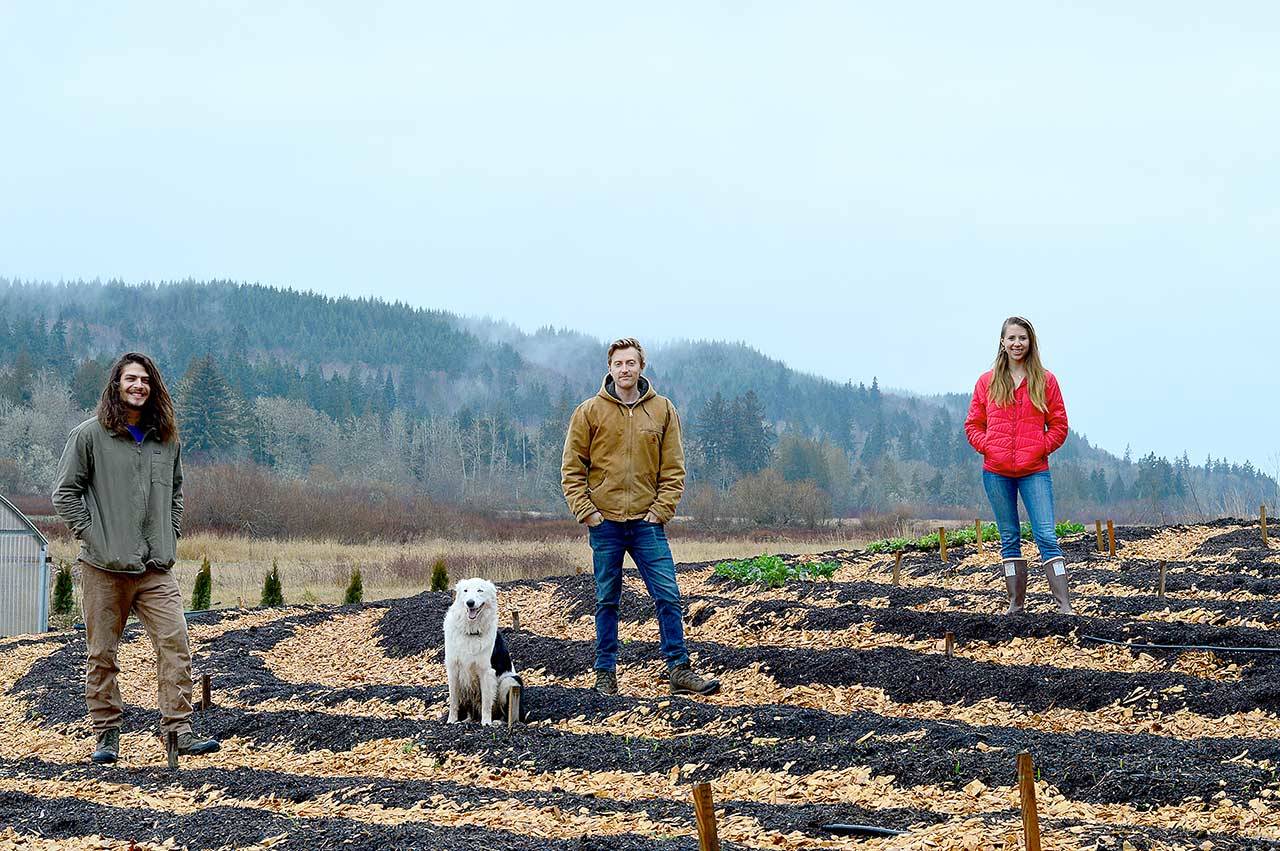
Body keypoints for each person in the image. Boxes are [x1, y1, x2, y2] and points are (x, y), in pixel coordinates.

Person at [52, 352, 220, 764]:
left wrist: (171, 532)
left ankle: (178, 731)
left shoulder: (167, 440)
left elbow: (176, 493)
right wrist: (95, 537)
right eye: (130, 379)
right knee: (102, 652)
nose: (138, 386)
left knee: (175, 641)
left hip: (155, 568)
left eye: (145, 380)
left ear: (153, 387)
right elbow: (64, 493)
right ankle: (107, 733)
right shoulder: (89, 436)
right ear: (116, 385)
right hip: (103, 568)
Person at [562, 338, 720, 697]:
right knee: (607, 599)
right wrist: (587, 512)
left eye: (631, 363)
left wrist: (659, 511)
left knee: (668, 594)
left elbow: (674, 469)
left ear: (641, 367)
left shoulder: (662, 410)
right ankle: (605, 674)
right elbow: (572, 469)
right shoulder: (589, 412)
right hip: (606, 525)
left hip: (647, 524)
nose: (625, 370)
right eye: (618, 364)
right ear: (610, 368)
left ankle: (679, 669)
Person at [964, 318, 1073, 615]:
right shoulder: (986, 382)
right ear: (1002, 342)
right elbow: (973, 424)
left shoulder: (1045, 380)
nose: (1017, 343)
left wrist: (1040, 448)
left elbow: (1060, 426)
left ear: (1030, 342)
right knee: (1009, 537)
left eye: (1022, 338)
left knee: (1046, 536)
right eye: (1011, 338)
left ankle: (1064, 605)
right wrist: (989, 448)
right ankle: (1016, 604)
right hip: (996, 472)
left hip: (1034, 471)